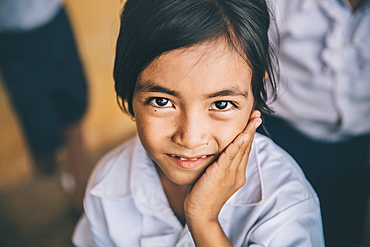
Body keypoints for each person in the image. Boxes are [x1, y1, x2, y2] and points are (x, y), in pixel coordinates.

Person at [72, 0, 325, 246]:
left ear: (256, 91)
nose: (190, 138)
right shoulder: (107, 185)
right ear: (128, 91)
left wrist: (203, 221)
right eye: (161, 101)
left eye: (221, 104)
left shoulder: (284, 203)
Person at [259, 0, 370, 246]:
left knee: (342, 230)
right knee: (282, 225)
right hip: (285, 134)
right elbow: (255, 58)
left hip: (356, 145)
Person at [0, 0, 89, 211]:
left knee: (73, 108)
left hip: (54, 21)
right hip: (13, 36)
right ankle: (54, 171)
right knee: (41, 129)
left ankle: (79, 194)